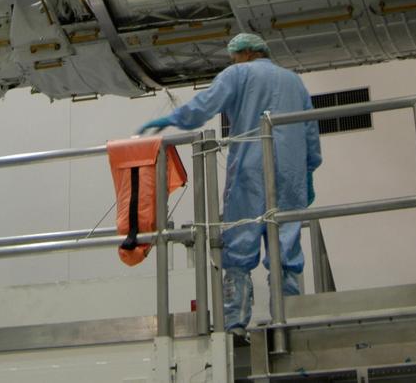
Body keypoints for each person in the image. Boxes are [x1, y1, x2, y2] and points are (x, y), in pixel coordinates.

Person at [137, 32, 321, 335]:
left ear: (246, 53)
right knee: (286, 245)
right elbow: (311, 133)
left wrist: (168, 120)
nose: (232, 61)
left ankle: (235, 324)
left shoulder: (238, 74)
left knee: (240, 244)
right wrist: (309, 171)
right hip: (291, 172)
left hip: (250, 168)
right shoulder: (294, 81)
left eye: (234, 56)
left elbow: (204, 106)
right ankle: (289, 320)